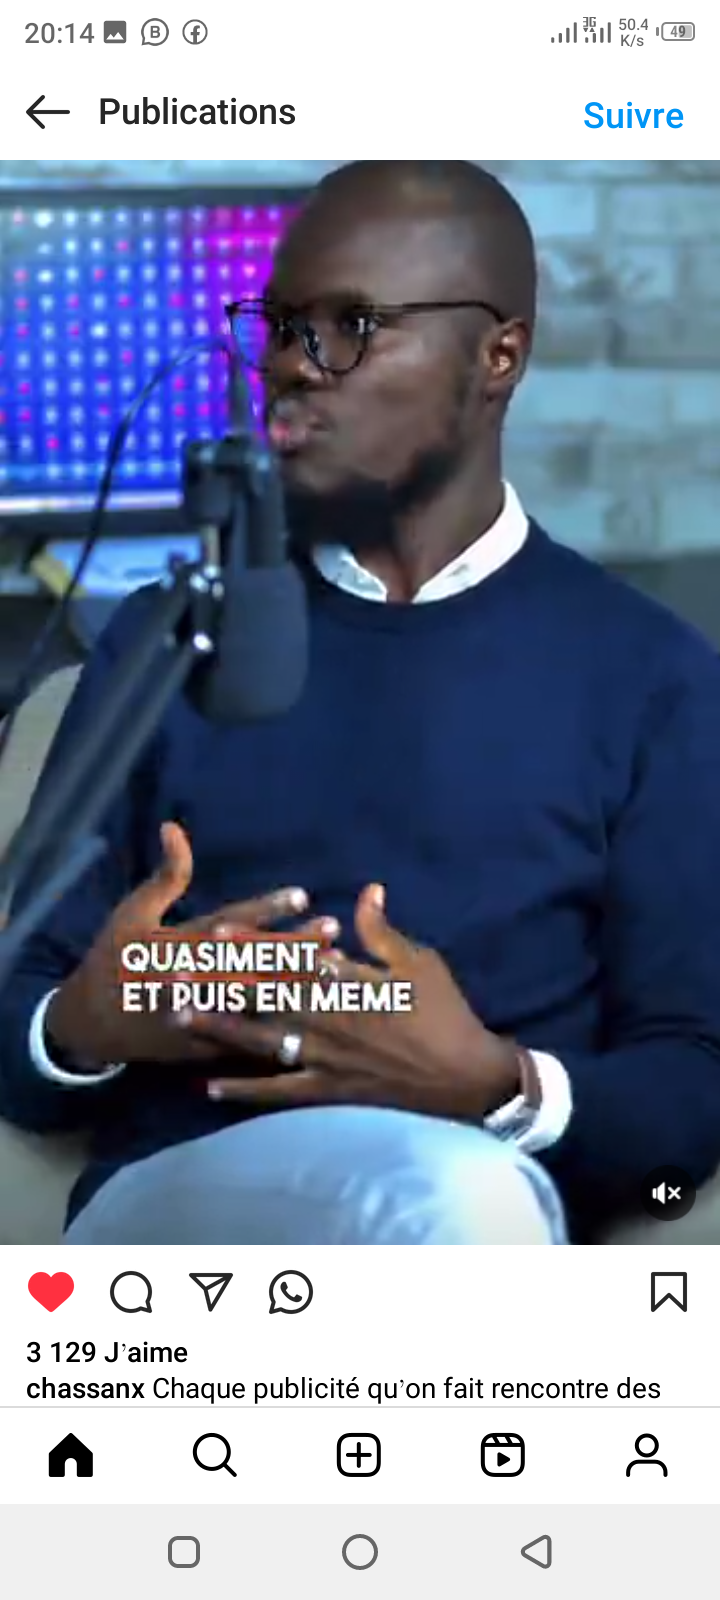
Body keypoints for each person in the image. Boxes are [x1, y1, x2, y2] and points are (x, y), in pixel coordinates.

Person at [2, 158, 720, 1246]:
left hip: (490, 1213)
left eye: (353, 326)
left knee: (460, 1195)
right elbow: (18, 1019)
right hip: (182, 1200)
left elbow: (691, 1082)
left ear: (498, 357)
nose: (294, 365)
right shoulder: (167, 638)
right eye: (282, 327)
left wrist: (494, 1083)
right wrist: (84, 1022)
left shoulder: (653, 675)